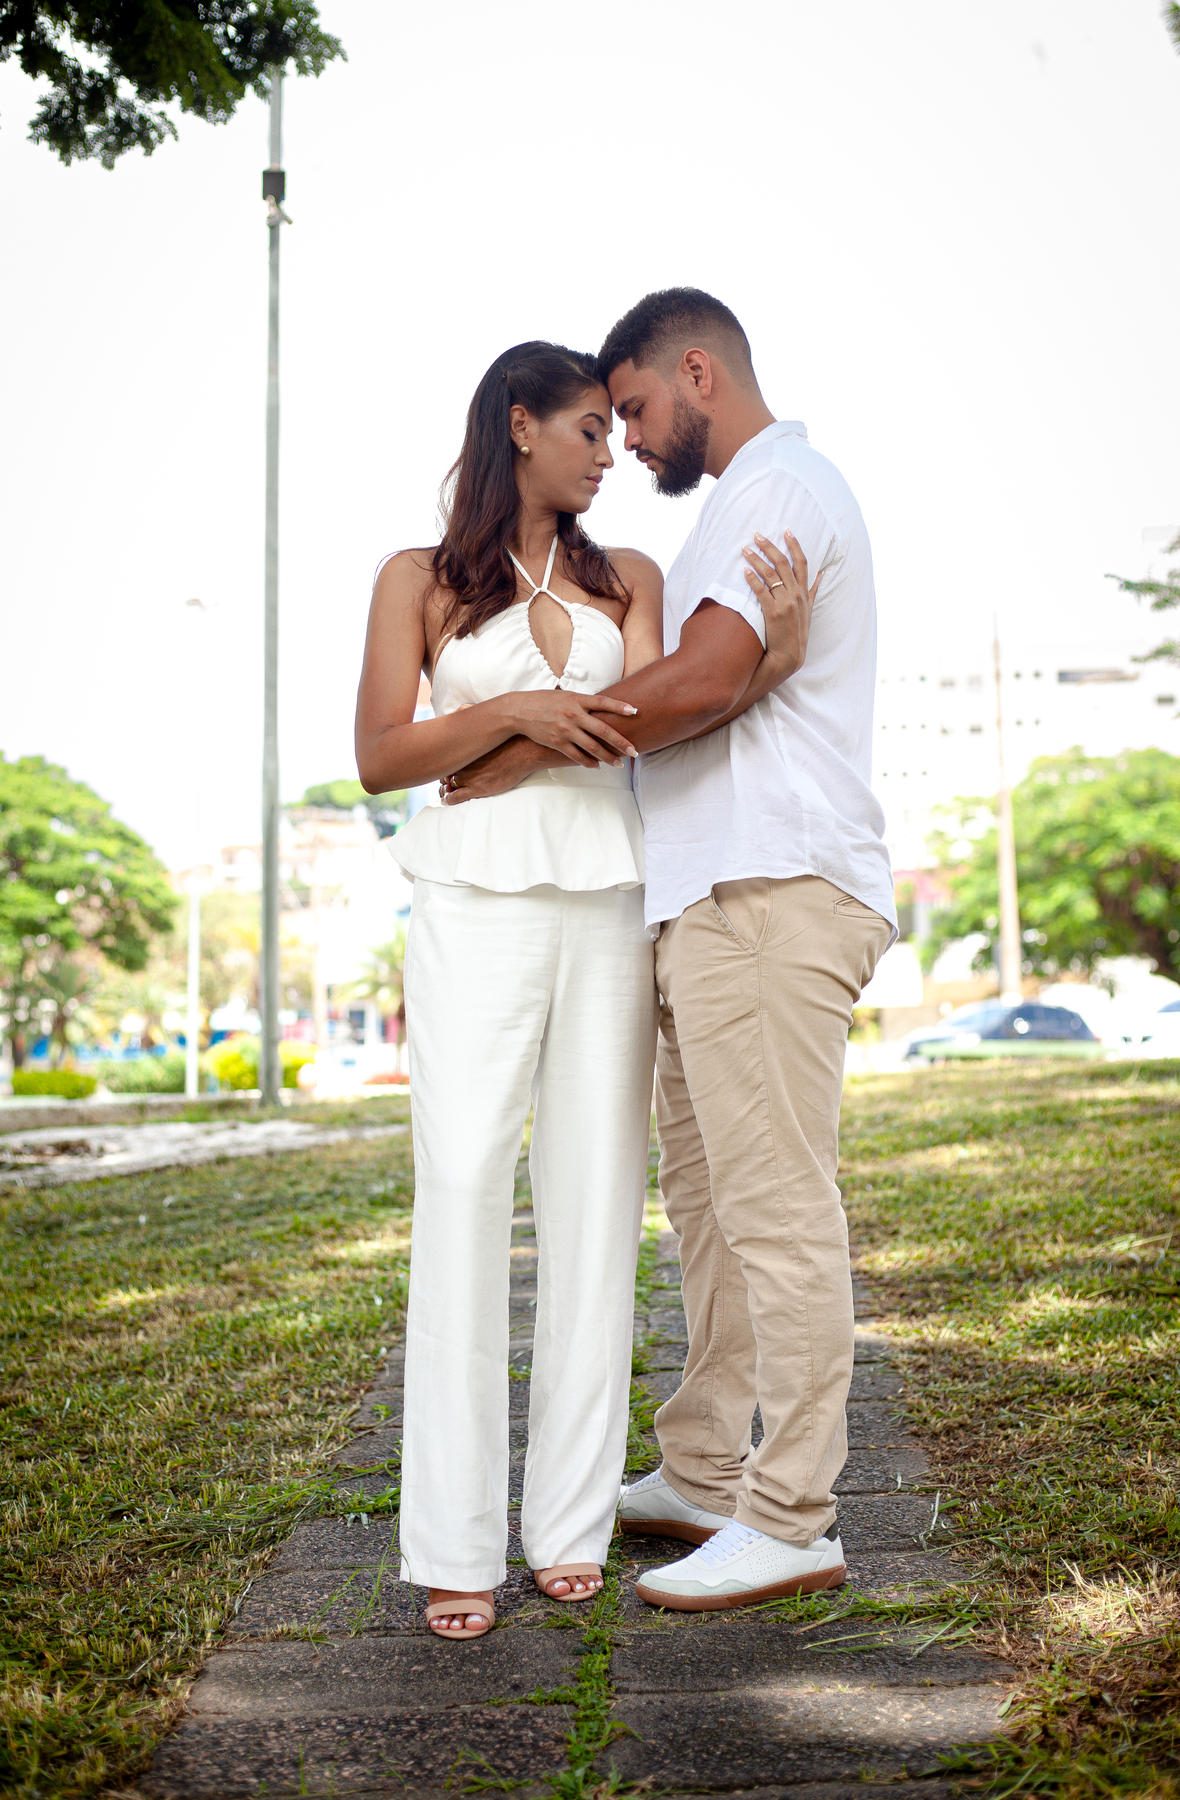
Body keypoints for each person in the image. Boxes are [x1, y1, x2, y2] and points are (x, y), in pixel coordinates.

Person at [354, 338, 816, 1640]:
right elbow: (383, 753)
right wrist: (519, 719)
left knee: (598, 1207)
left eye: (619, 431)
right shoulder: (417, 580)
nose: (612, 455)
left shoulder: (634, 581)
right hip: (469, 906)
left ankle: (566, 1522)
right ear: (520, 425)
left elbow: (651, 728)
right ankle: (453, 1543)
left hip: (610, 901)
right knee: (461, 1194)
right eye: (589, 431)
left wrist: (769, 657)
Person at [442, 289, 896, 1611]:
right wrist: (744, 672)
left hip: (769, 889)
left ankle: (792, 1513)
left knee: (776, 1208)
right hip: (705, 900)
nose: (627, 441)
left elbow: (698, 680)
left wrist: (513, 750)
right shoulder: (732, 509)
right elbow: (720, 682)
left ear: (699, 371)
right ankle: (704, 1472)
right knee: (711, 1212)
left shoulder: (779, 489)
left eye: (634, 409)